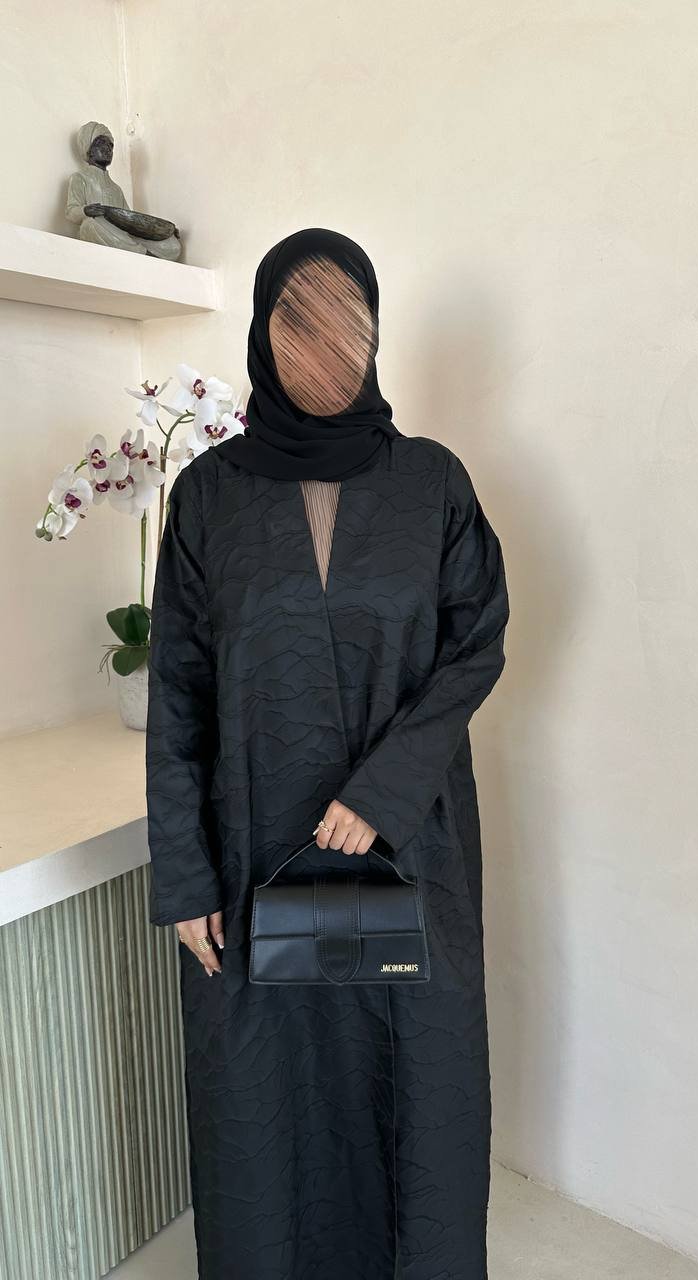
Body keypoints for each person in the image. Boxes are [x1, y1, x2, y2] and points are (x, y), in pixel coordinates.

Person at [145, 226, 510, 1280]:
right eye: (295, 322)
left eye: (343, 323)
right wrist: (186, 878)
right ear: (262, 334)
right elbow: (178, 696)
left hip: (406, 850)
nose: (321, 348)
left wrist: (383, 791)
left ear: (374, 333)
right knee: (272, 1101)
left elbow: (476, 643)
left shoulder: (433, 483)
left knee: (416, 1087)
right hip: (257, 851)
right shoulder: (207, 497)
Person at [65, 120, 181, 260]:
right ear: (89, 149)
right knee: (89, 225)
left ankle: (141, 251)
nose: (108, 149)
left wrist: (164, 232)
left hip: (122, 236)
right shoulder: (79, 178)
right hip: (100, 230)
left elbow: (129, 221)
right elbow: (71, 212)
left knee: (173, 245)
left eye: (110, 145)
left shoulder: (116, 189)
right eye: (102, 143)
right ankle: (143, 254)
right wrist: (85, 211)